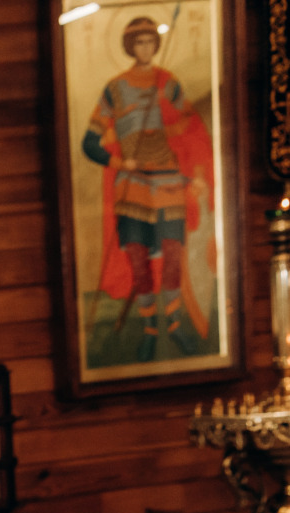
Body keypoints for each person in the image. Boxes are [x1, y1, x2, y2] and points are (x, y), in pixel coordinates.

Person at [80, 15, 214, 364]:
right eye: (138, 43)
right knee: (139, 262)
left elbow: (191, 125)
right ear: (130, 47)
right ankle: (150, 331)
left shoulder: (167, 83)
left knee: (171, 255)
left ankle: (173, 324)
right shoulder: (114, 88)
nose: (145, 48)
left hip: (168, 182)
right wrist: (121, 163)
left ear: (156, 45)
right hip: (133, 188)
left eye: (150, 42)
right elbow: (89, 143)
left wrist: (172, 137)